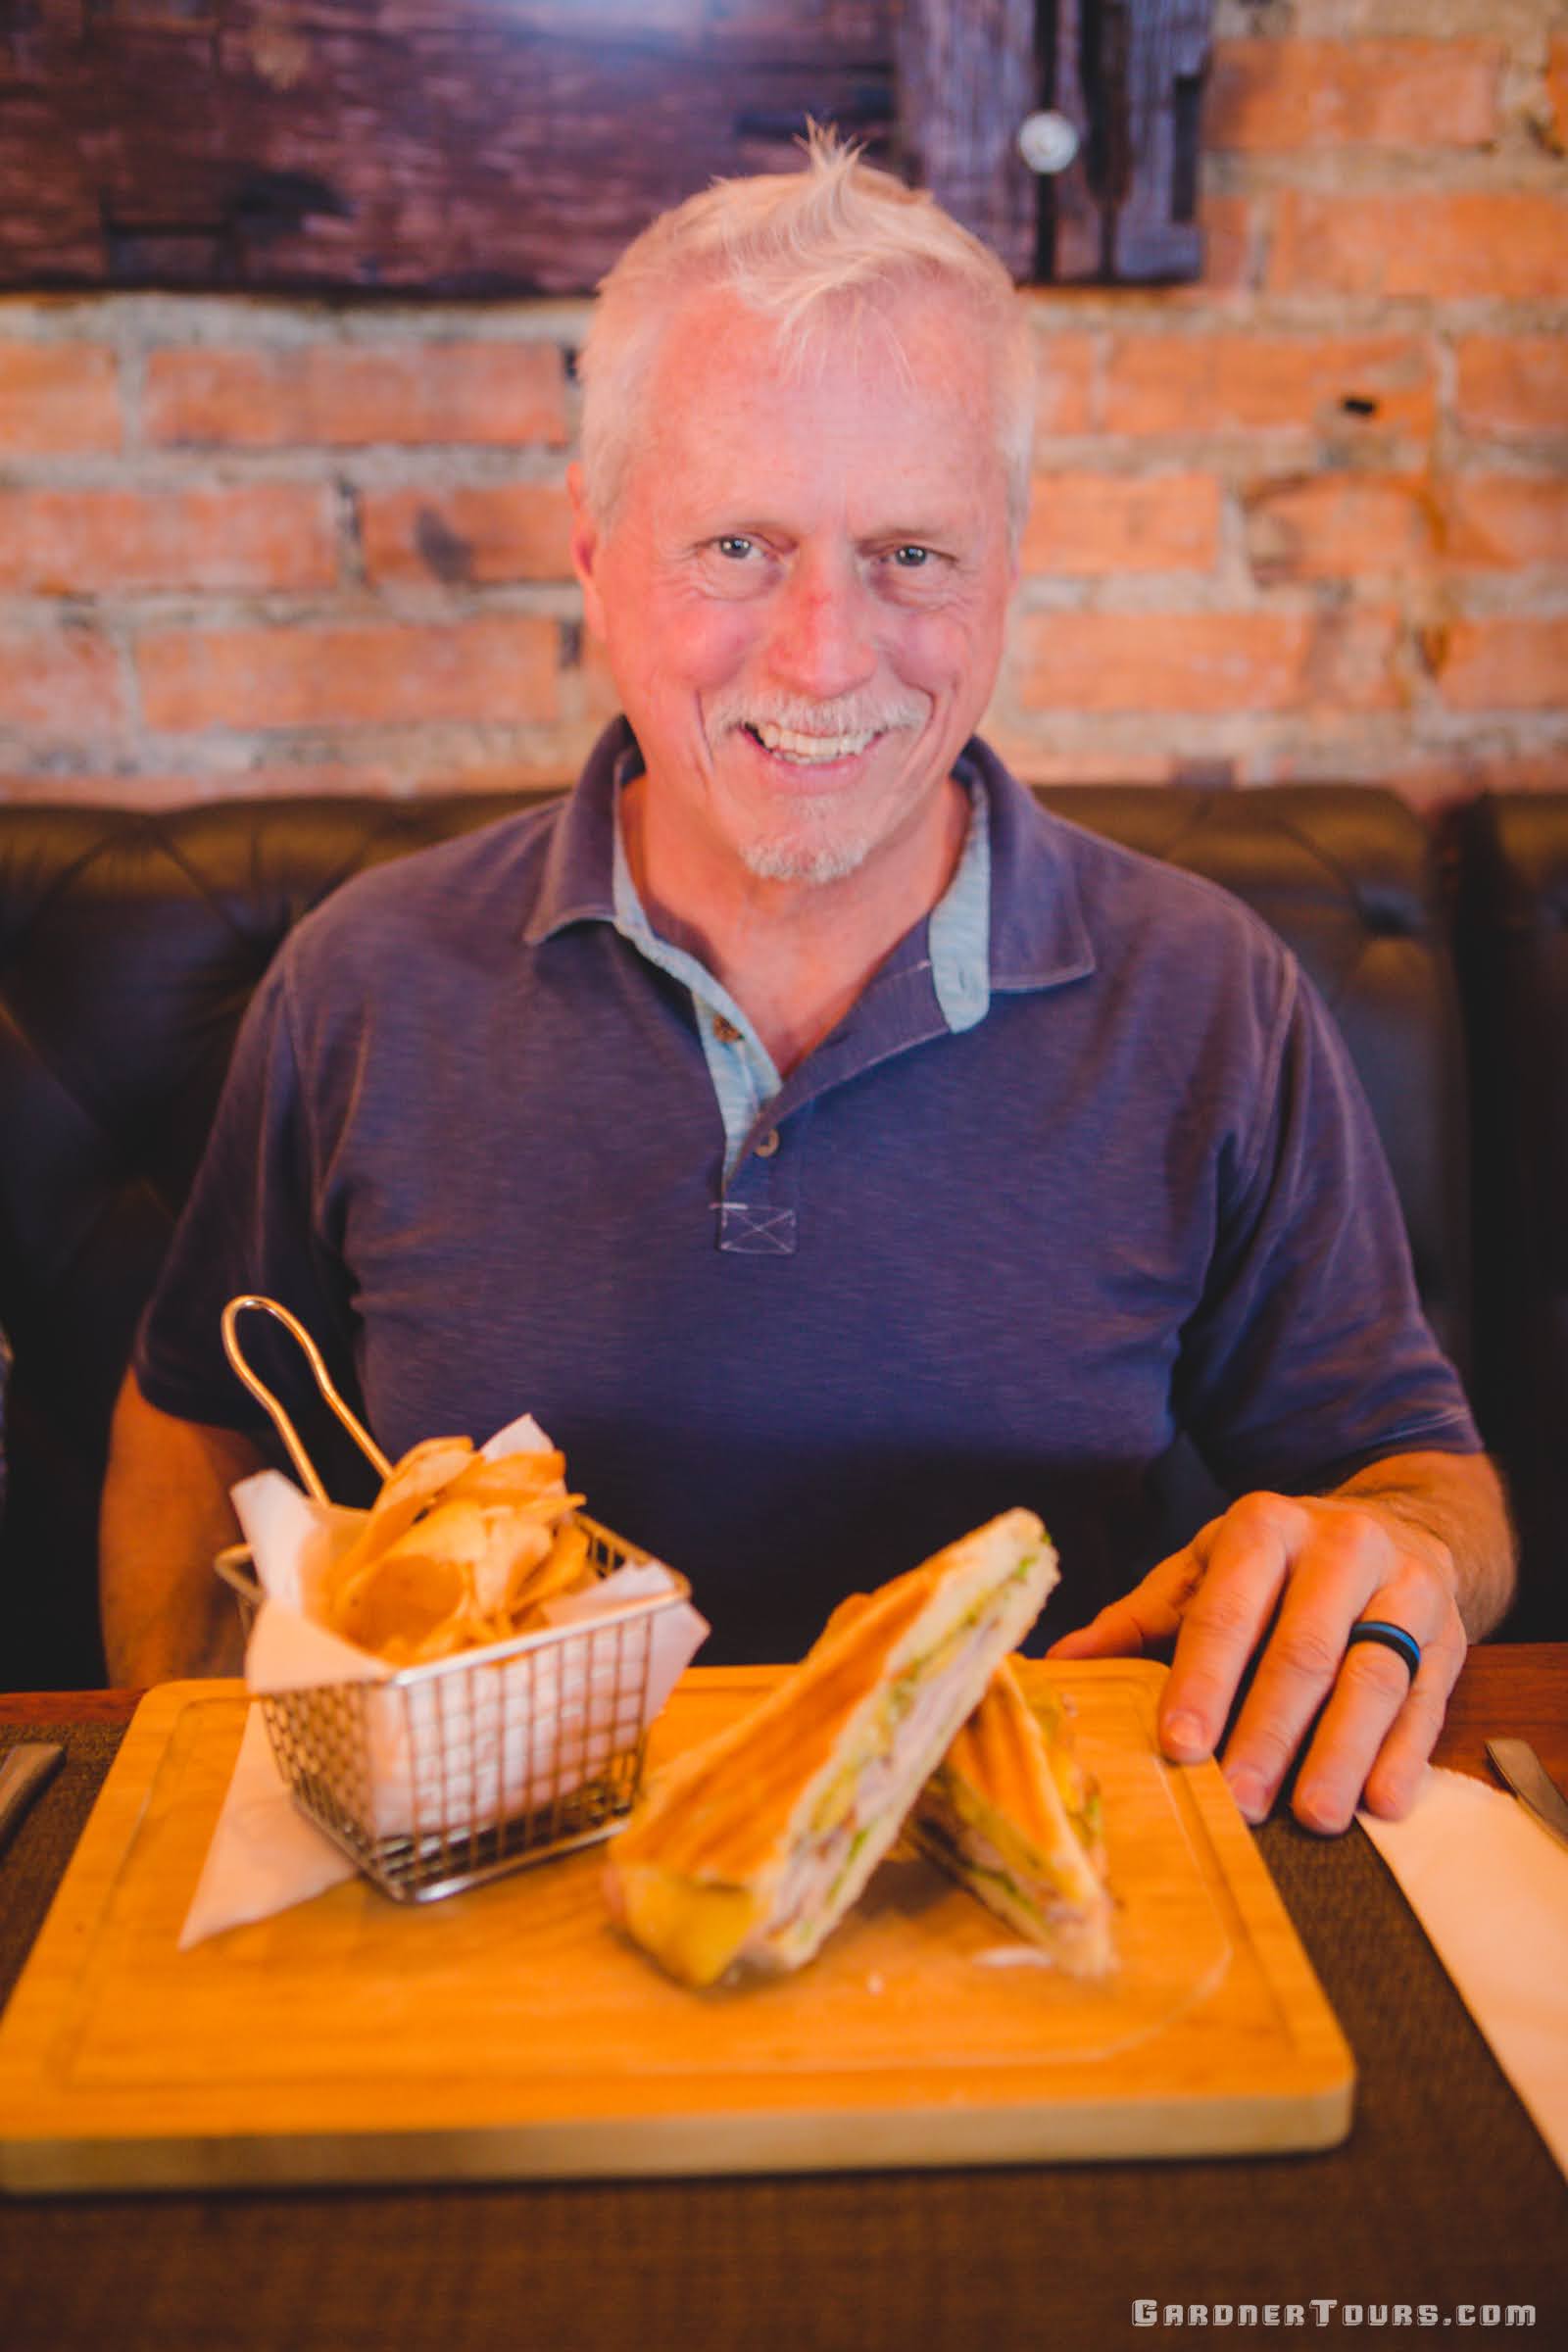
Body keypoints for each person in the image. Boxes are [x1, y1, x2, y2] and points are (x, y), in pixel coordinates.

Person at [100, 132, 1512, 1837]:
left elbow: (1422, 1475)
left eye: (911, 552)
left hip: (1049, 1905)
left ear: (1007, 557)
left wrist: (1412, 1550)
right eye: (737, 548)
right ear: (594, 547)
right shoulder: (366, 981)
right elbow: (191, 1429)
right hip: (485, 1903)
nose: (825, 656)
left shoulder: (1212, 994)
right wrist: (176, 1819)